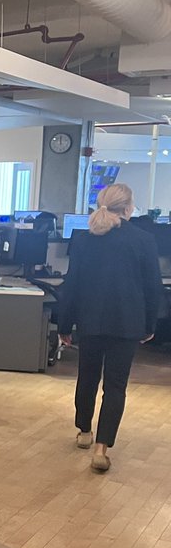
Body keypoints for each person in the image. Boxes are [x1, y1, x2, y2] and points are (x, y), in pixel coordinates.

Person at [57, 183, 162, 473]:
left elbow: (72, 285)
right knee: (115, 386)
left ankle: (84, 432)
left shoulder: (83, 239)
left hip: (90, 321)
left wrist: (64, 324)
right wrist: (149, 324)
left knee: (87, 378)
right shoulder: (143, 240)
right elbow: (152, 287)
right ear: (129, 207)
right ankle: (102, 448)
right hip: (127, 323)